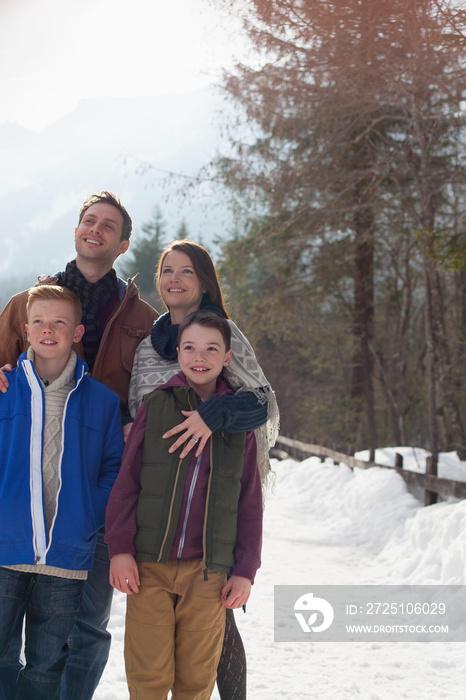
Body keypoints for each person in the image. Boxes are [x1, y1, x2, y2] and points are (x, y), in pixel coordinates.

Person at [0, 191, 159, 700]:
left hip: (94, 495)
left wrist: (141, 425)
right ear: (75, 231)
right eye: (88, 221)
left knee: (86, 624)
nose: (96, 229)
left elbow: (165, 385)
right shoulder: (30, 303)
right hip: (21, 500)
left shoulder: (142, 320)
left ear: (123, 243)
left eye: (108, 225)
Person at [126, 239, 279, 700]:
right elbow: (136, 409)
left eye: (186, 271)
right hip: (162, 495)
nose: (174, 278)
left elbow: (265, 403)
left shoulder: (223, 334)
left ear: (204, 281)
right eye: (167, 270)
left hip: (218, 483)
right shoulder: (150, 346)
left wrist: (215, 416)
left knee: (217, 625)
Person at [105, 310, 263, 700]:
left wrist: (245, 569)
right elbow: (126, 483)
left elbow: (249, 502)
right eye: (190, 347)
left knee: (196, 679)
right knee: (148, 675)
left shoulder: (238, 420)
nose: (200, 356)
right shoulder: (156, 406)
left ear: (227, 357)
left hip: (208, 573)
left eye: (211, 349)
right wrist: (120, 550)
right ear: (177, 353)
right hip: (150, 568)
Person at [0, 285, 124, 700]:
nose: (48, 330)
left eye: (59, 323)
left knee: (47, 665)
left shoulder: (102, 402)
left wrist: (89, 516)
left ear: (76, 332)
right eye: (39, 322)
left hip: (66, 557)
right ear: (25, 330)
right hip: (4, 549)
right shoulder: (4, 391)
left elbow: (114, 468)